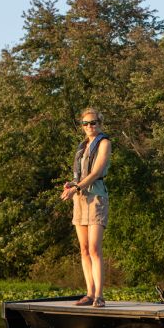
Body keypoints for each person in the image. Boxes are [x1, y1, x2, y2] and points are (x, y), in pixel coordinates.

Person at [60, 107, 112, 308]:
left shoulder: (104, 143)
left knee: (94, 248)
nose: (90, 126)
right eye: (86, 123)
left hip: (96, 196)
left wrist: (77, 187)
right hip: (80, 198)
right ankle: (89, 292)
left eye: (93, 123)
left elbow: (97, 171)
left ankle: (99, 295)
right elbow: (80, 175)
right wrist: (71, 186)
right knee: (83, 249)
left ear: (100, 124)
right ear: (82, 126)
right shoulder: (83, 146)